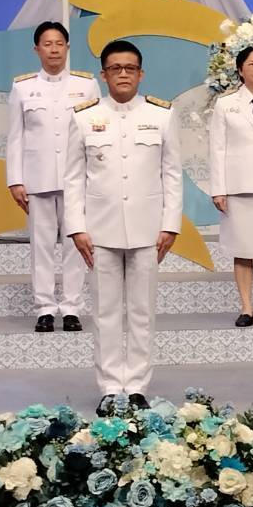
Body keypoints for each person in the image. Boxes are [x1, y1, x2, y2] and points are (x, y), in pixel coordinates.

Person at [63, 40, 182, 415]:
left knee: (142, 312)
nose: (123, 74)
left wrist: (170, 224)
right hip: (100, 230)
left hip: (148, 229)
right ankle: (111, 386)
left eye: (130, 68)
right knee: (106, 312)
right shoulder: (83, 117)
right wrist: (77, 227)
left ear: (141, 74)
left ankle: (138, 386)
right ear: (104, 75)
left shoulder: (162, 115)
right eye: (116, 68)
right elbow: (73, 178)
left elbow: (172, 174)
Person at [5, 22, 100, 333]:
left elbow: (96, 134)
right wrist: (15, 180)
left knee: (76, 246)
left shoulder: (86, 85)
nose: (54, 49)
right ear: (37, 49)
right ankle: (44, 307)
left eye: (59, 43)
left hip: (78, 179)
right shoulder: (23, 87)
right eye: (47, 44)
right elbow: (15, 137)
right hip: (38, 179)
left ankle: (71, 308)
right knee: (41, 246)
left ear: (68, 47)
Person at [209, 47, 253, 327]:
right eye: (252, 64)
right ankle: (246, 307)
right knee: (242, 249)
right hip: (237, 186)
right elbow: (217, 148)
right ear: (240, 70)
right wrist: (219, 188)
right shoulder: (225, 104)